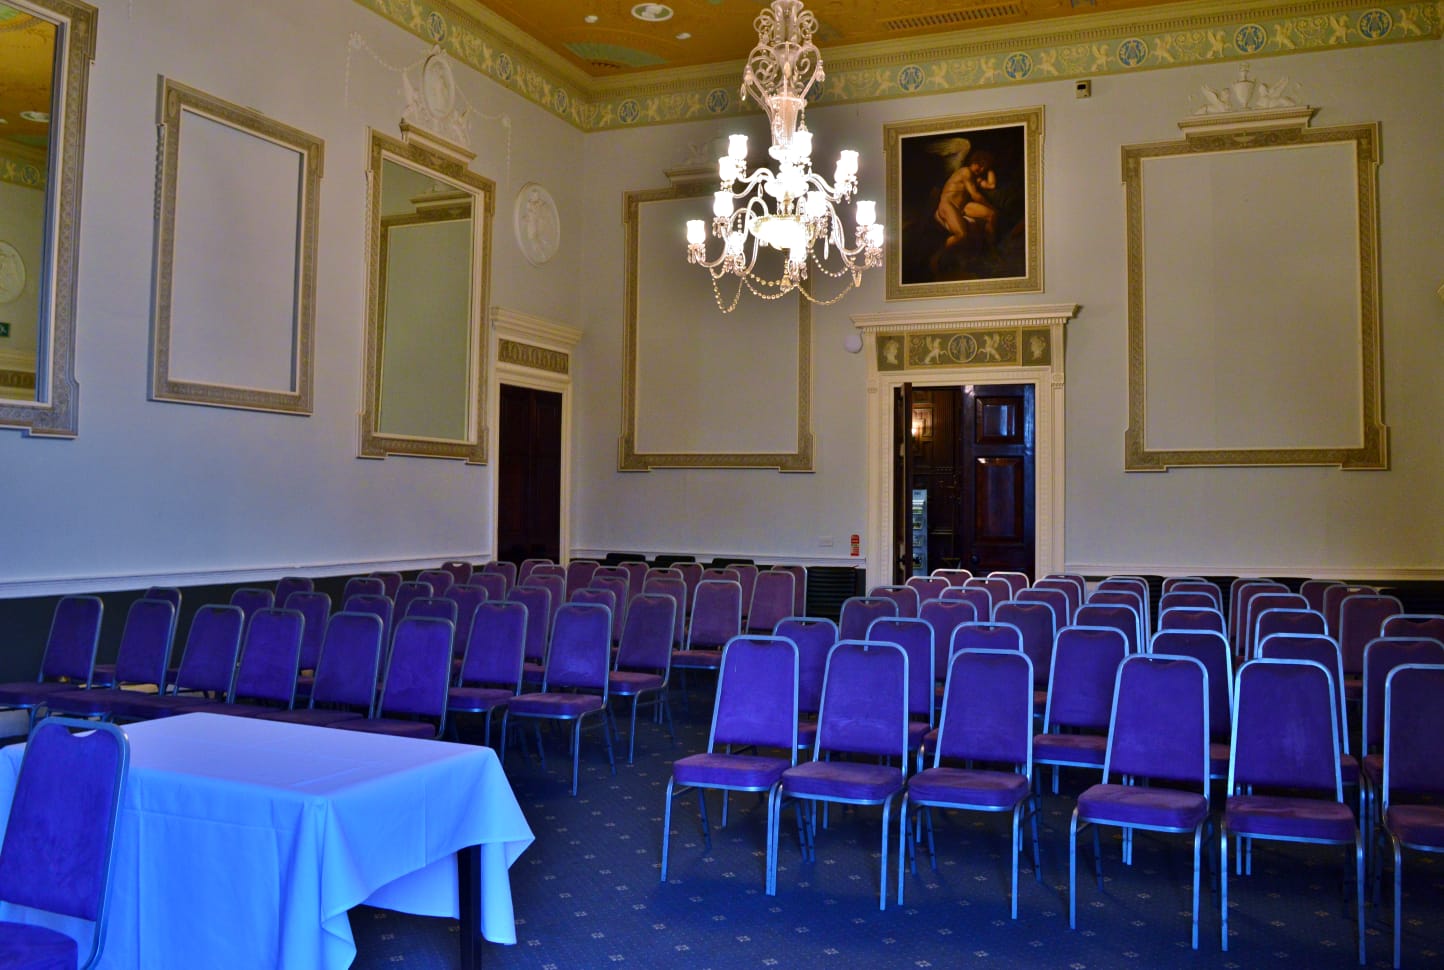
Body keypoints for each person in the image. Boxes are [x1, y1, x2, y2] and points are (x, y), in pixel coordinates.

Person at [933, 149, 997, 248]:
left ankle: (991, 247)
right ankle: (936, 257)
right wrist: (990, 206)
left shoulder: (975, 178)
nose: (981, 169)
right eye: (980, 165)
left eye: (984, 167)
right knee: (961, 235)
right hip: (948, 205)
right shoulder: (965, 171)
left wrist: (989, 168)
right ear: (973, 161)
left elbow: (991, 185)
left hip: (962, 208)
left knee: (992, 215)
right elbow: (975, 195)